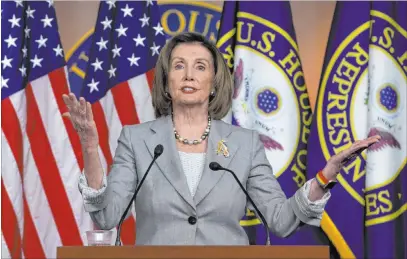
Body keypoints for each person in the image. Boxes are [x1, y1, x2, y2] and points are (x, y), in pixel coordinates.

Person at [62, 32, 380, 245]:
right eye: (179, 66)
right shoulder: (137, 140)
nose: (189, 75)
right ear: (167, 80)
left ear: (214, 82)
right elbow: (106, 217)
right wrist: (90, 148)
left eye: (200, 67)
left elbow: (281, 221)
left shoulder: (245, 144)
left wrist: (325, 176)